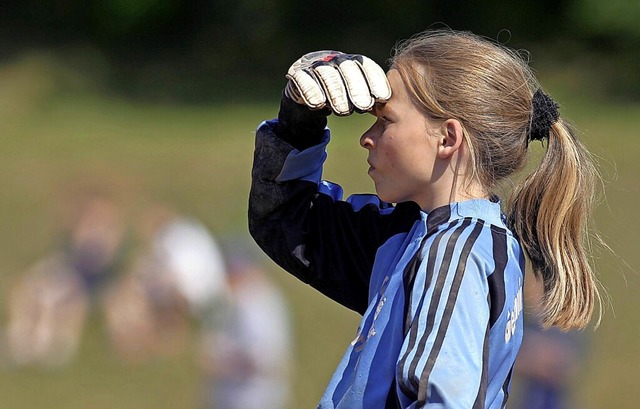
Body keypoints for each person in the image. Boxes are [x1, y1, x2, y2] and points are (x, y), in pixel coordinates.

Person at [248, 29, 601, 408]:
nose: (367, 137)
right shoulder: (421, 236)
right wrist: (299, 121)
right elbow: (287, 221)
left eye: (386, 120)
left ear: (448, 138)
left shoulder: (455, 251)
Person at [199, 248, 292, 409]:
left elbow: (265, 362)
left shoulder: (255, 305)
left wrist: (221, 362)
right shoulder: (243, 300)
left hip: (251, 399)